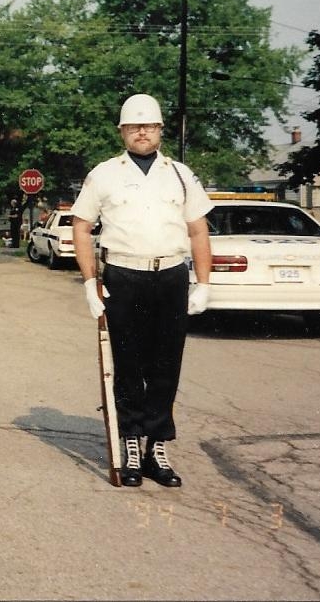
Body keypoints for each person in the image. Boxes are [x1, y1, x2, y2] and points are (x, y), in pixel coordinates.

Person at [72, 94, 213, 488]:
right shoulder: (103, 174)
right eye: (134, 126)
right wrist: (88, 282)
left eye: (148, 126)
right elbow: (81, 227)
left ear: (160, 130)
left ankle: (157, 447)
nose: (141, 132)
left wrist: (203, 283)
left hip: (169, 276)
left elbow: (199, 230)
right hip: (124, 275)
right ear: (122, 131)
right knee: (130, 365)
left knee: (167, 366)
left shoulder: (182, 175)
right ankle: (131, 443)